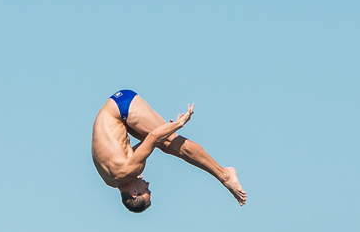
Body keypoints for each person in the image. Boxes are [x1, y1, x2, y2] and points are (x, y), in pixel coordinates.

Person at [92, 90, 247, 213]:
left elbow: (152, 137)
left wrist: (178, 124)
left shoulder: (129, 171)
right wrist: (163, 131)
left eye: (146, 189)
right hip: (117, 108)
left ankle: (225, 176)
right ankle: (223, 174)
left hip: (123, 107)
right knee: (165, 143)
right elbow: (133, 149)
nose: (147, 184)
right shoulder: (111, 181)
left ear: (133, 192)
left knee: (173, 143)